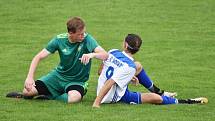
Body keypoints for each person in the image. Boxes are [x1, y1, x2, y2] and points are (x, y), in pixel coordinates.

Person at [7, 17, 108, 103]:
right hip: (58, 76)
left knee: (73, 98)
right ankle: (48, 93)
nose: (83, 35)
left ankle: (50, 96)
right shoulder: (59, 40)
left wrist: (92, 55)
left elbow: (105, 55)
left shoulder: (87, 39)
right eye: (80, 34)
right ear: (70, 33)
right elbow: (38, 57)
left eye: (84, 32)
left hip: (77, 81)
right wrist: (29, 77)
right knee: (27, 92)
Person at [92, 34, 208, 108]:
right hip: (113, 96)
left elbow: (100, 72)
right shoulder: (130, 67)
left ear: (125, 44)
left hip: (102, 89)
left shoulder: (112, 51)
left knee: (138, 66)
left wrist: (126, 77)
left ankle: (161, 92)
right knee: (155, 98)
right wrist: (96, 103)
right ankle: (185, 101)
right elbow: (110, 82)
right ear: (138, 50)